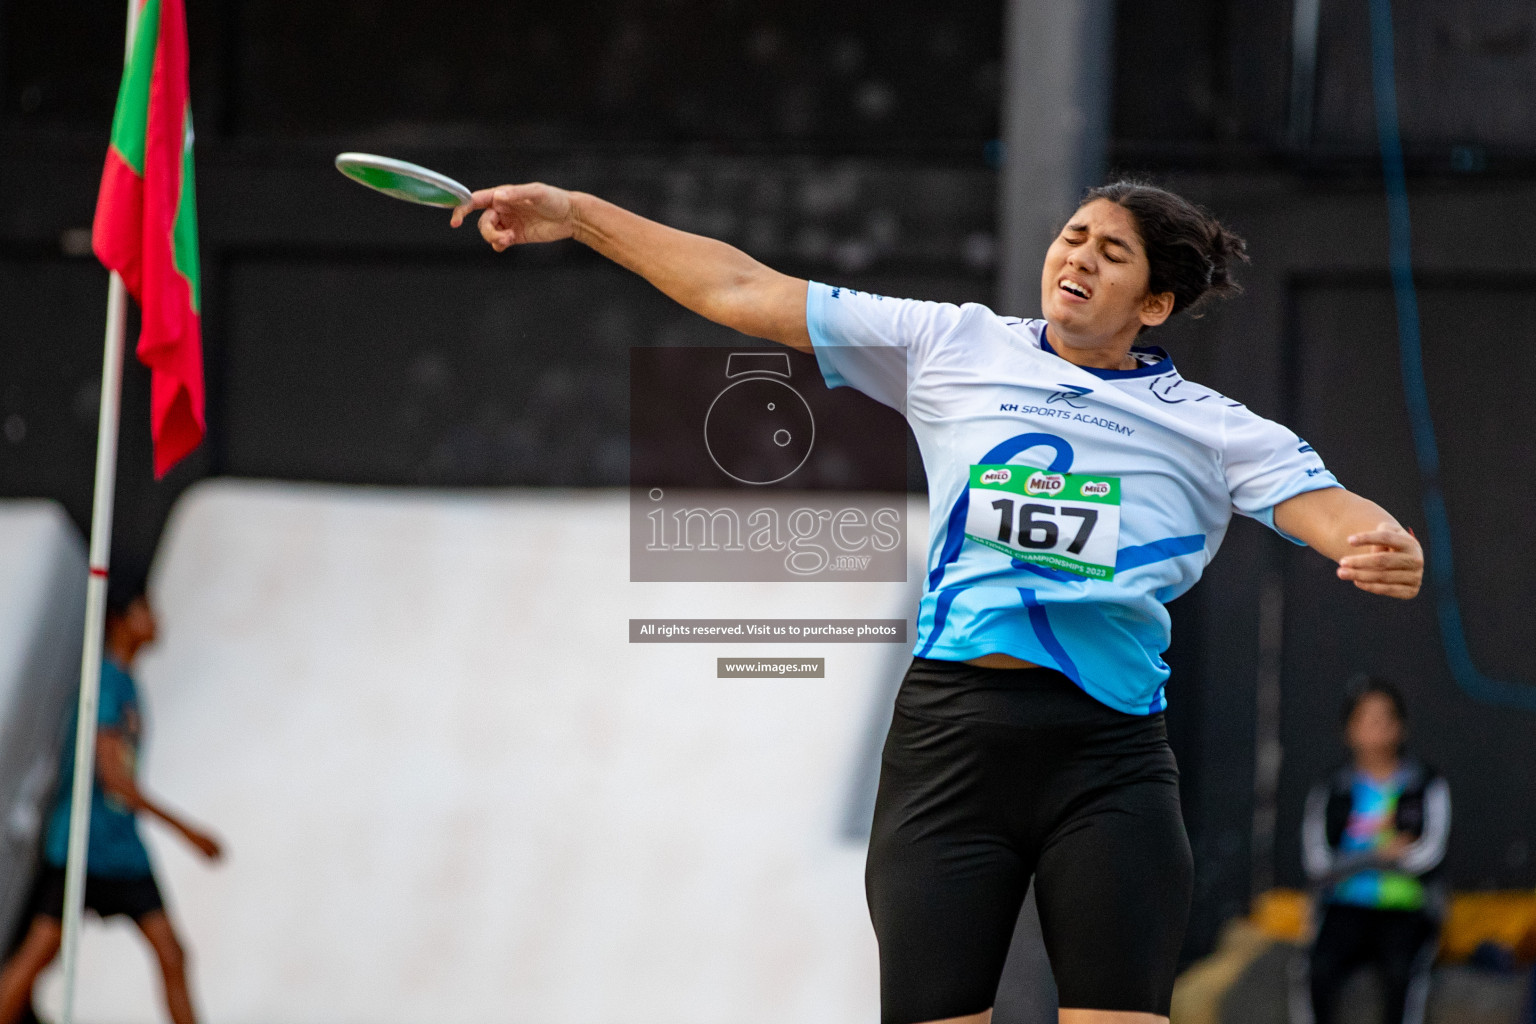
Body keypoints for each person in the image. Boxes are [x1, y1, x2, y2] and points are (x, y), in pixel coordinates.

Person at [451, 179, 1424, 1024]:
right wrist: (577, 216)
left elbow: (1333, 512)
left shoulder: (1216, 429)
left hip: (1108, 760)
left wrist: (1383, 544)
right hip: (950, 746)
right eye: (1072, 235)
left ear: (1155, 302)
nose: (1077, 254)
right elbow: (741, 289)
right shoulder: (953, 342)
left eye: (1111, 251)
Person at [0, 581, 222, 1024]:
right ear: (120, 621)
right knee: (38, 954)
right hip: (84, 844)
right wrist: (187, 830)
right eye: (145, 611)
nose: (156, 621)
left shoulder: (126, 685)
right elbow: (113, 778)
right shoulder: (103, 685)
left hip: (122, 848)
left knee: (171, 952)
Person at [1301, 676, 1449, 1024]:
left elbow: (1428, 855)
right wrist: (1380, 855)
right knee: (1318, 972)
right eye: (1366, 719)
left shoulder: (1425, 784)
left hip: (1405, 909)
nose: (1376, 728)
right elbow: (1317, 863)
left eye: (1385, 719)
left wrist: (1351, 862)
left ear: (1400, 727)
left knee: (1401, 977)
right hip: (1344, 907)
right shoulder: (1331, 788)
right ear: (1348, 730)